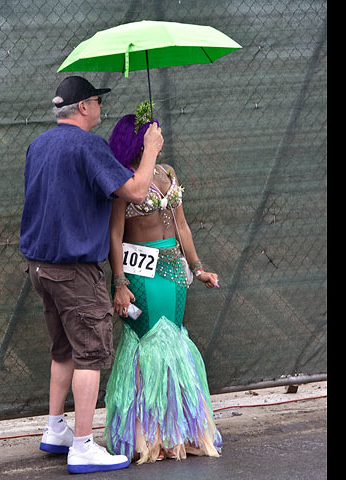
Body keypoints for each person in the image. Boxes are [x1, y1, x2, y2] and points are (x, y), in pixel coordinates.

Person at [20, 77, 164, 474]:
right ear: (83, 107)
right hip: (74, 271)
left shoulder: (39, 145)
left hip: (40, 268)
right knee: (90, 354)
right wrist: (150, 149)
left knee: (63, 349)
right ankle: (83, 445)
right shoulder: (89, 145)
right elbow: (136, 191)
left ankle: (56, 429)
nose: (101, 108)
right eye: (98, 102)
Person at [103, 111, 223, 464]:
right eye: (152, 131)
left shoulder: (167, 172)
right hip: (141, 272)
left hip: (173, 270)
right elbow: (114, 234)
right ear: (139, 139)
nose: (159, 133)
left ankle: (181, 431)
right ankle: (148, 435)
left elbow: (182, 225)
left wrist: (198, 267)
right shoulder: (124, 179)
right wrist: (120, 281)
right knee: (151, 343)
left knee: (174, 340)